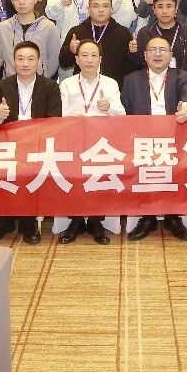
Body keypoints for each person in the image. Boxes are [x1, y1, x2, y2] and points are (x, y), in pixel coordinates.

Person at [121, 35, 187, 241]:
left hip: (173, 137)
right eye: (153, 50)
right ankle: (148, 217)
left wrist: (185, 108)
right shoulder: (131, 80)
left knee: (177, 169)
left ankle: (173, 216)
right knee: (143, 168)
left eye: (163, 50)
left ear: (171, 55)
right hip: (141, 139)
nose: (158, 54)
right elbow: (125, 111)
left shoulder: (181, 76)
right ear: (144, 55)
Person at [0, 41, 62, 245]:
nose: (25, 63)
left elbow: (54, 121)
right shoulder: (2, 85)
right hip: (8, 143)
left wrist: (32, 138)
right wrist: (0, 116)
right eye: (20, 59)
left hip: (37, 144)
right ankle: (4, 220)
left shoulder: (50, 86)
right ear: (13, 62)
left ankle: (28, 221)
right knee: (2, 169)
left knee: (30, 170)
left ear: (39, 62)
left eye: (30, 59)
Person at [58, 40, 126, 238]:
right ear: (77, 59)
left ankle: (96, 221)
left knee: (99, 177)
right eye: (84, 55)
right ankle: (76, 220)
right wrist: (73, 118)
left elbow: (122, 115)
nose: (89, 60)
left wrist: (108, 108)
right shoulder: (67, 84)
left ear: (100, 59)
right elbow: (59, 115)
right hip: (74, 141)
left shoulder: (110, 84)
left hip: (101, 143)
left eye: (93, 56)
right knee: (73, 178)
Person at [0, 0, 60, 79]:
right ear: (12, 1)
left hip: (40, 83)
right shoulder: (3, 27)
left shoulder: (48, 27)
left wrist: (43, 78)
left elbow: (54, 60)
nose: (21, 2)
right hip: (11, 83)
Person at [58, 0, 134, 83]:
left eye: (105, 6)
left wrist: (133, 53)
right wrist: (70, 51)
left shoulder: (122, 33)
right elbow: (63, 63)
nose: (100, 10)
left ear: (111, 9)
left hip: (113, 88)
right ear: (88, 9)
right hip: (83, 87)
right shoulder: (77, 32)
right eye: (95, 6)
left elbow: (131, 68)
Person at [131, 0, 187, 72]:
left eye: (169, 6)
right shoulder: (145, 33)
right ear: (154, 10)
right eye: (160, 7)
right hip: (153, 78)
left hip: (181, 78)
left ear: (176, 8)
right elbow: (139, 65)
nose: (164, 11)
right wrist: (133, 52)